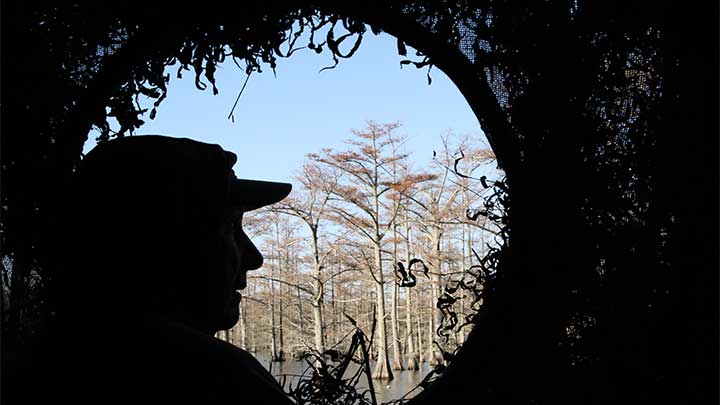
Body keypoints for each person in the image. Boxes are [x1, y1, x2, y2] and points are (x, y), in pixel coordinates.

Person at [5, 135, 295, 404]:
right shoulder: (217, 379)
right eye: (229, 227)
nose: (254, 258)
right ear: (161, 241)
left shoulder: (38, 364)